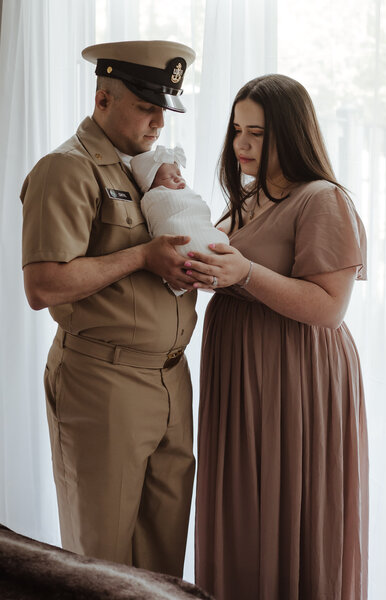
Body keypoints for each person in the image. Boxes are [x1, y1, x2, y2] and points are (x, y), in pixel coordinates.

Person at [20, 40, 199, 577]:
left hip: (171, 379)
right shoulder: (66, 169)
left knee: (161, 565)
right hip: (104, 380)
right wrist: (143, 255)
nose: (158, 122)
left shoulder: (143, 169)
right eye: (146, 107)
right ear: (102, 98)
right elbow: (44, 286)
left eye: (163, 109)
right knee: (101, 565)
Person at [188, 75, 368, 599]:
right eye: (237, 130)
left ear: (291, 134)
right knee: (244, 512)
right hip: (241, 375)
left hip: (293, 375)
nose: (241, 144)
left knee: (287, 512)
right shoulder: (248, 198)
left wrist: (242, 273)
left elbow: (330, 307)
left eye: (258, 134)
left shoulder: (322, 199)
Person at [130, 144, 229, 282]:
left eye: (179, 174)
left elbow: (200, 210)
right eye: (167, 178)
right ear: (150, 186)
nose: (178, 179)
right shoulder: (153, 197)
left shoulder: (187, 193)